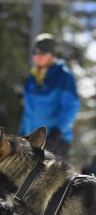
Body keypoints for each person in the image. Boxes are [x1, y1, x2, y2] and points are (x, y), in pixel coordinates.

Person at [19, 33, 80, 161]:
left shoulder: (63, 76)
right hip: (32, 140)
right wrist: (22, 133)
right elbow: (28, 109)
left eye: (43, 52)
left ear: (52, 54)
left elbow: (71, 107)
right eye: (35, 53)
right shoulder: (32, 77)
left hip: (56, 141)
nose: (38, 56)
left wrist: (57, 131)